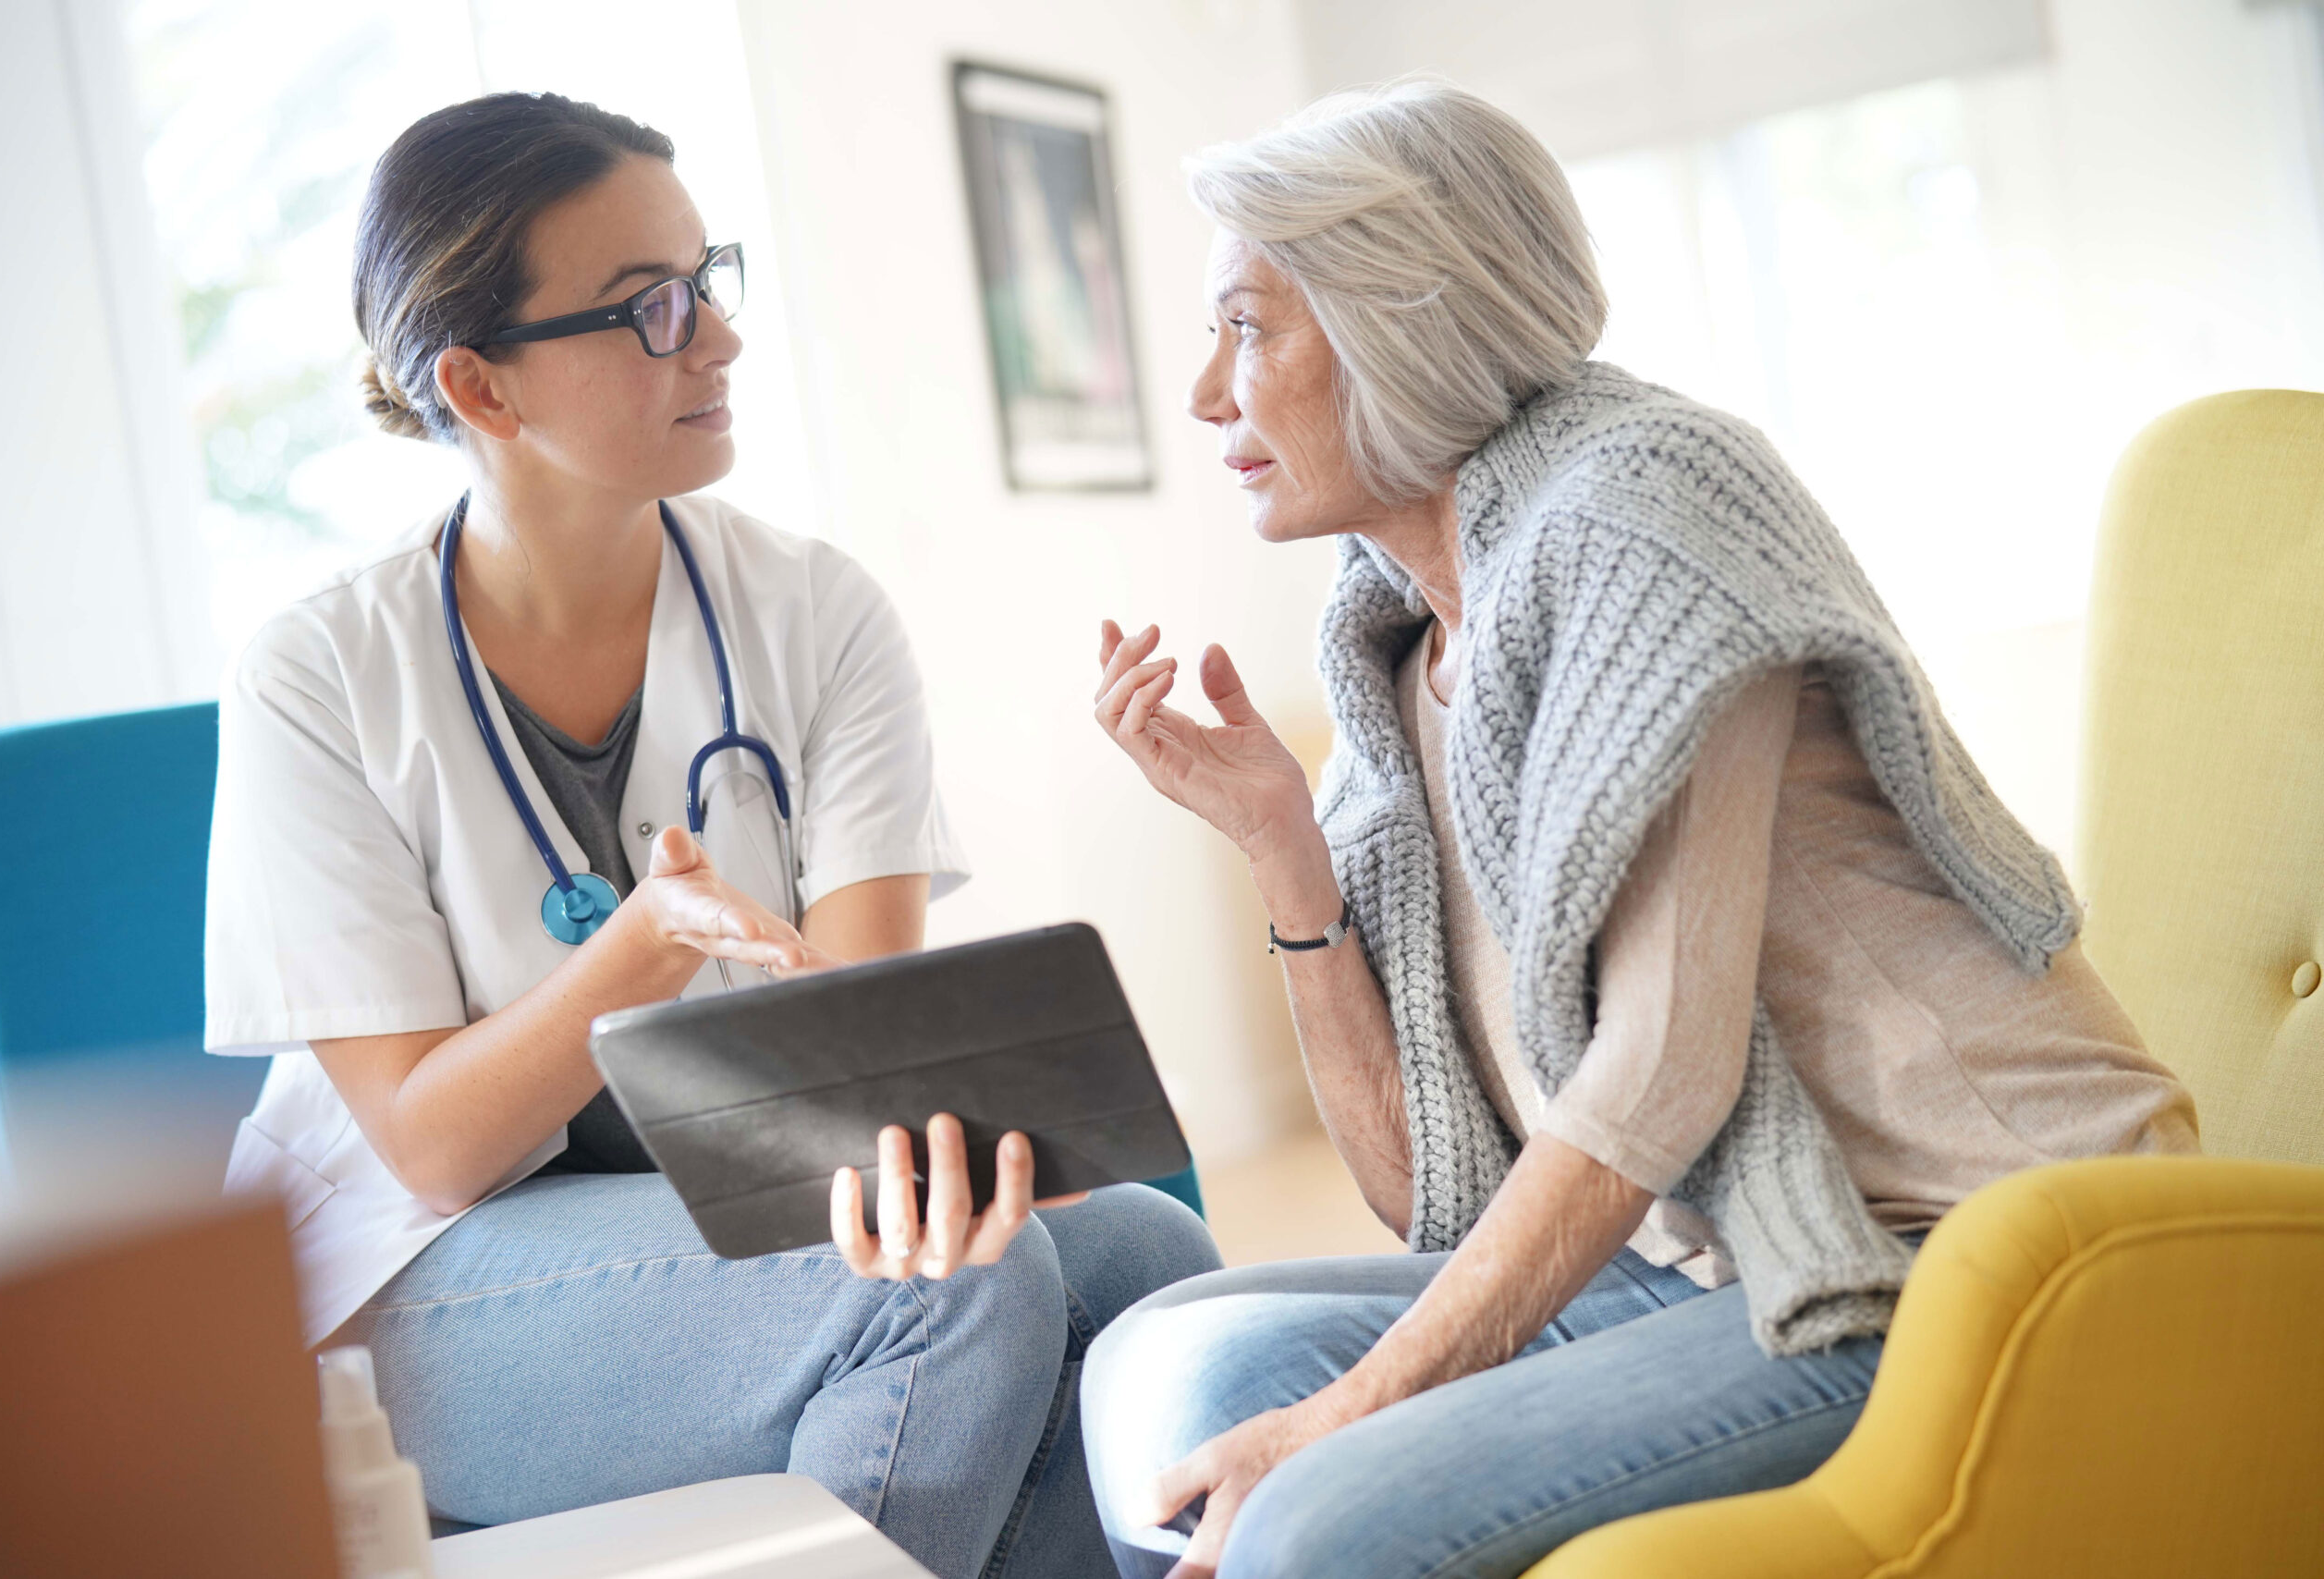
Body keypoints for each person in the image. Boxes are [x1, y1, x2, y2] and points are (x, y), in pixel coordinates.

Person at [1079, 80, 2196, 1579]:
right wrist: (1287, 847)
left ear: (1397, 321)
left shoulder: (1647, 515)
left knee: (1319, 1519)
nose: (1211, 396)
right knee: (1170, 1373)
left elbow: (1663, 1073)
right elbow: (1431, 1197)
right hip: (1703, 1258)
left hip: (1971, 1247)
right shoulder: (1402, 644)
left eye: (1248, 328)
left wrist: (1351, 1412)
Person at [202, 92, 1217, 1579]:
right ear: (482, 389)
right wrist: (643, 948)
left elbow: (863, 1076)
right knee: (949, 1295)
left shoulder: (817, 615)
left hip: (719, 1216)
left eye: (708, 279)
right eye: (651, 311)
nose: (720, 340)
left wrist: (974, 1132)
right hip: (408, 1286)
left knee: (1151, 1266)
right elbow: (430, 1147)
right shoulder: (318, 674)